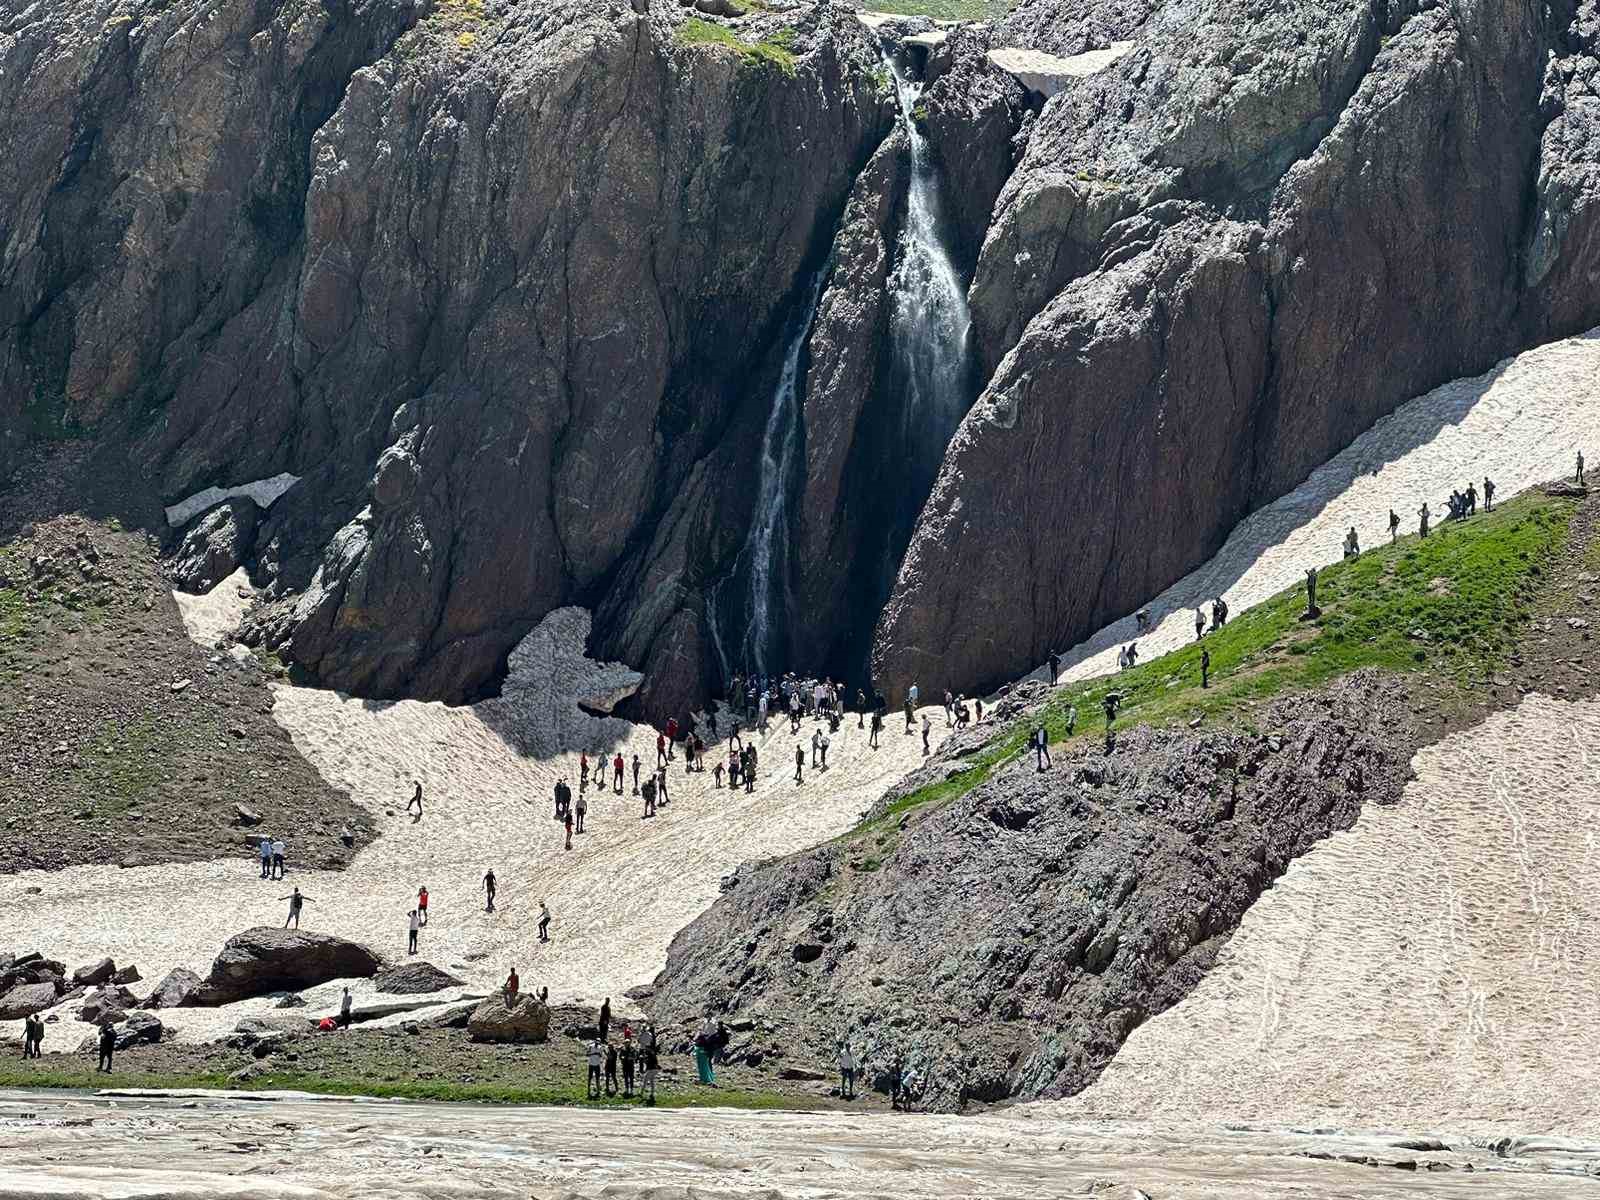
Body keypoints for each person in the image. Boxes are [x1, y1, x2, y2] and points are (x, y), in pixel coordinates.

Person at [694, 1018, 717, 1085]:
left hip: (703, 1051)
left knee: (703, 1066)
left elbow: (696, 1039)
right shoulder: (709, 1034)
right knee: (707, 1064)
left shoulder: (705, 1036)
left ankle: (705, 1079)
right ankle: (709, 1078)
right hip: (705, 1050)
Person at [642, 1041, 660, 1105]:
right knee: (651, 1080)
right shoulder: (652, 1053)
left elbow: (649, 1061)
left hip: (651, 1068)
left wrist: (644, 1059)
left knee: (645, 1079)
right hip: (654, 1069)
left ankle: (642, 1092)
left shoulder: (649, 1053)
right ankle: (652, 1093)